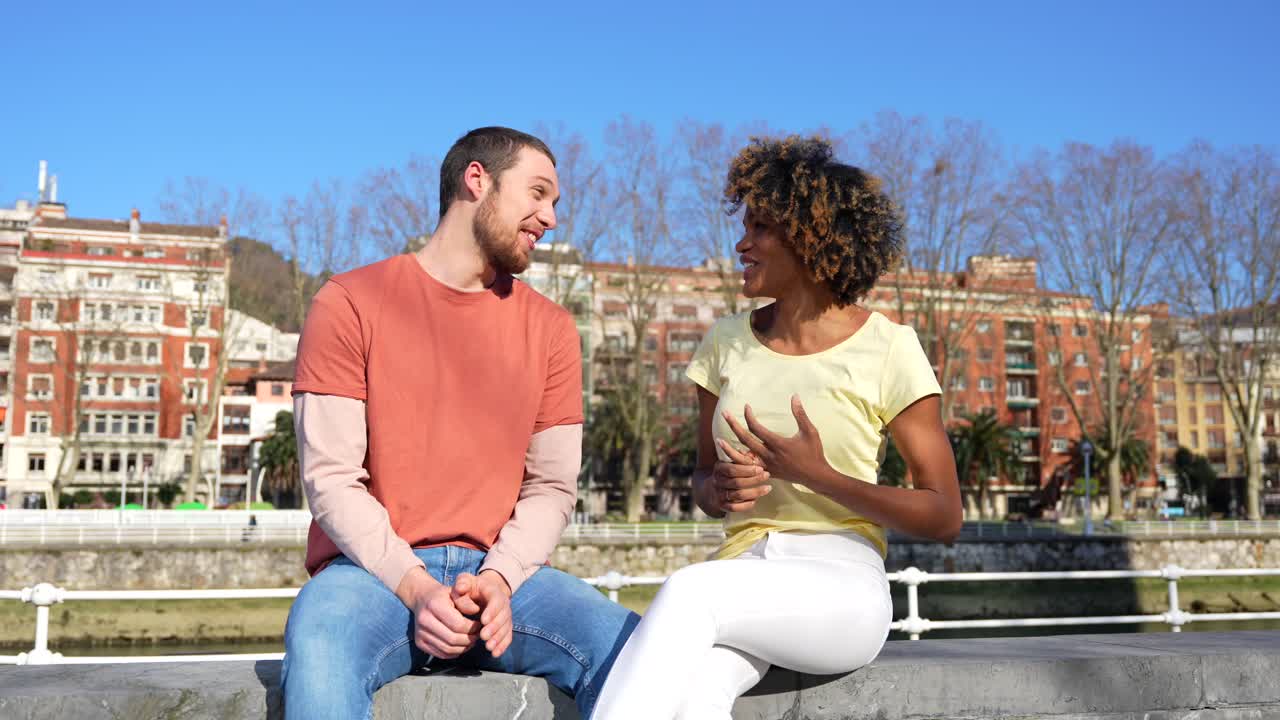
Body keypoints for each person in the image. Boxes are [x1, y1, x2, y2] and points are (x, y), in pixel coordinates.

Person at [592, 136, 962, 720]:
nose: (741, 243)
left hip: (842, 584)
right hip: (742, 574)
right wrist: (716, 491)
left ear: (811, 237)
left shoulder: (890, 348)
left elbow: (944, 515)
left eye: (760, 227)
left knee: (689, 591)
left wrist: (819, 477)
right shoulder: (724, 344)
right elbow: (703, 483)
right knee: (699, 695)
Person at [281, 126, 639, 720]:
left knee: (638, 651)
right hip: (371, 577)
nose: (550, 217)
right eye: (539, 193)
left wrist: (499, 579)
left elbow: (552, 487)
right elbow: (332, 479)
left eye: (555, 203)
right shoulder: (347, 302)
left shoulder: (551, 330)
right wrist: (417, 588)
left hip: (508, 581)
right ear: (478, 180)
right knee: (320, 649)